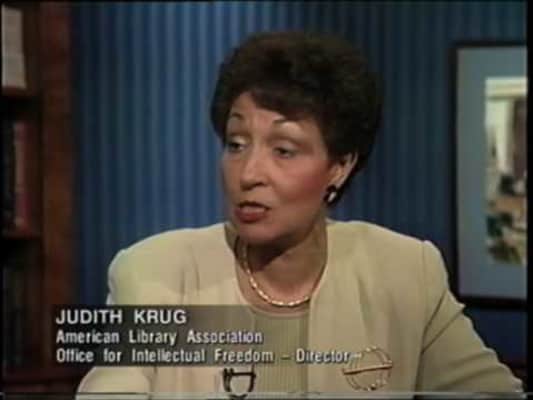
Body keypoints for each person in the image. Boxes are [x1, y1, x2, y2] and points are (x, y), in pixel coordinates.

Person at [77, 31, 522, 395]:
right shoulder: (155, 275)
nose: (249, 173)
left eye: (284, 150)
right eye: (236, 143)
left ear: (339, 166)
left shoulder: (406, 273)